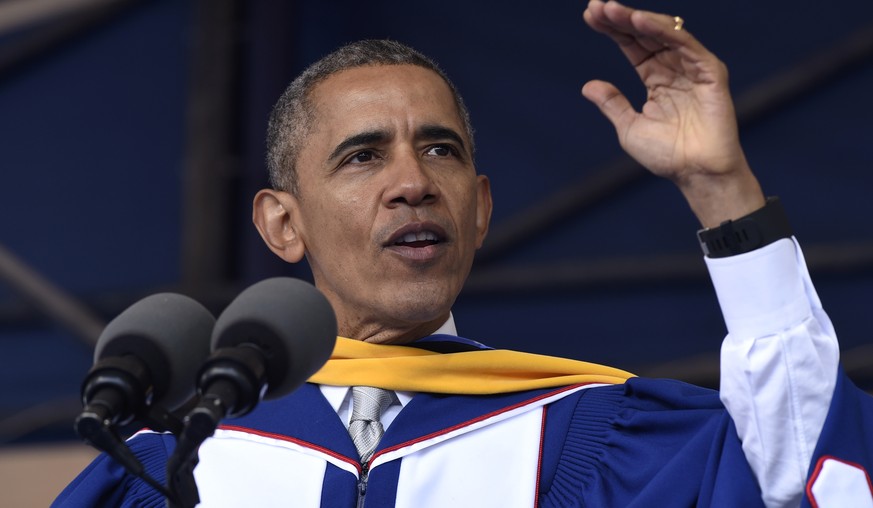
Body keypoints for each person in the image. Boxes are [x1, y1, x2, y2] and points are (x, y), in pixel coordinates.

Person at [54, 1, 872, 507]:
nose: (413, 183)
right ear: (282, 225)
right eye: (363, 156)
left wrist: (716, 183)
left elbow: (804, 483)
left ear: (479, 212)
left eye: (440, 151)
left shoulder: (592, 430)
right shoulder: (171, 464)